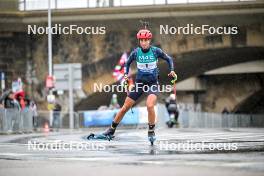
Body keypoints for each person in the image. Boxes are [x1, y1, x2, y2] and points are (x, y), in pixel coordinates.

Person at [103, 27, 177, 141]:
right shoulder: (136, 52)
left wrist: (171, 70)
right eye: (141, 40)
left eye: (145, 40)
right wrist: (126, 74)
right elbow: (127, 64)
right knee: (125, 108)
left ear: (149, 41)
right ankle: (111, 129)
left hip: (152, 84)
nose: (143, 42)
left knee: (150, 105)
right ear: (139, 41)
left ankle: (151, 131)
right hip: (139, 84)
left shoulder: (156, 51)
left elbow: (169, 59)